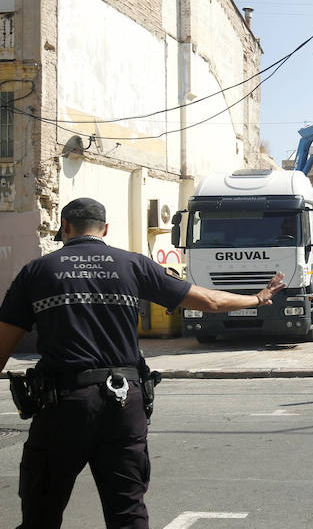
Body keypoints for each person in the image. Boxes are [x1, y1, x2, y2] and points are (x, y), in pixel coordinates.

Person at [0, 197, 287, 529]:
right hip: (123, 403)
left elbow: (4, 345)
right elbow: (207, 299)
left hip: (62, 405)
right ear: (105, 229)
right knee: (127, 512)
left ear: (65, 227)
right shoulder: (133, 265)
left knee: (40, 512)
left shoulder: (37, 270)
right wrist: (258, 297)